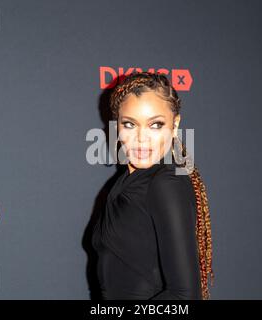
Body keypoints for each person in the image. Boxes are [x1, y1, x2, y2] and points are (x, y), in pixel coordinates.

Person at [92, 71, 214, 299]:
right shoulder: (125, 181)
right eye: (129, 124)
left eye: (155, 125)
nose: (141, 138)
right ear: (116, 124)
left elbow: (185, 297)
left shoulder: (165, 184)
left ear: (175, 124)